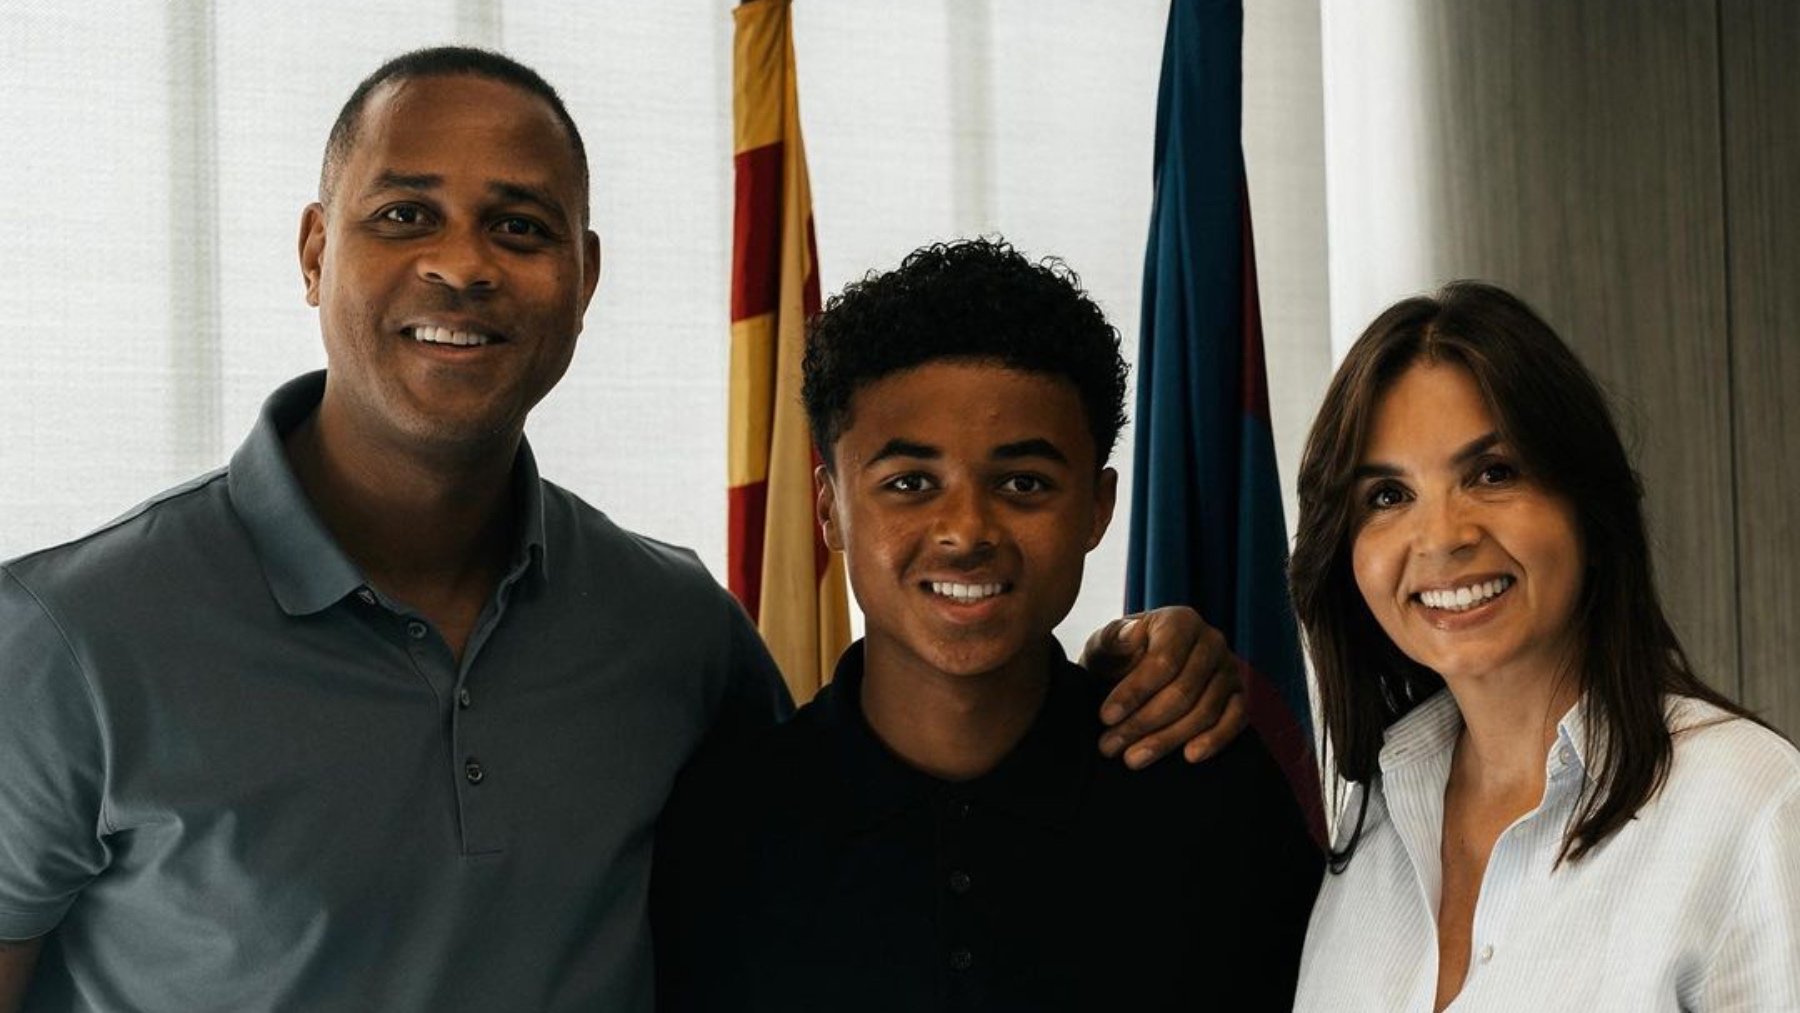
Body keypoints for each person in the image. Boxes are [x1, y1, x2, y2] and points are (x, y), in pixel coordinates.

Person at [0, 48, 1247, 1013]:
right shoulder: (62, 638)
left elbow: (889, 780)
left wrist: (1152, 645)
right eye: (403, 215)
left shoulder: (672, 632)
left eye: (521, 225)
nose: (464, 266)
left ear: (585, 279)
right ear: (315, 250)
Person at [652, 238, 1323, 1012]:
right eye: (909, 482)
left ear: (1097, 509)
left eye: (1023, 482)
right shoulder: (723, 833)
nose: (966, 530)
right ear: (829, 506)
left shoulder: (1211, 801)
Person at [1288, 281, 1800, 1010]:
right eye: (1388, 496)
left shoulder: (1747, 806)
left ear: (1586, 504)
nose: (1441, 537)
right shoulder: (1371, 826)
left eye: (1493, 473)